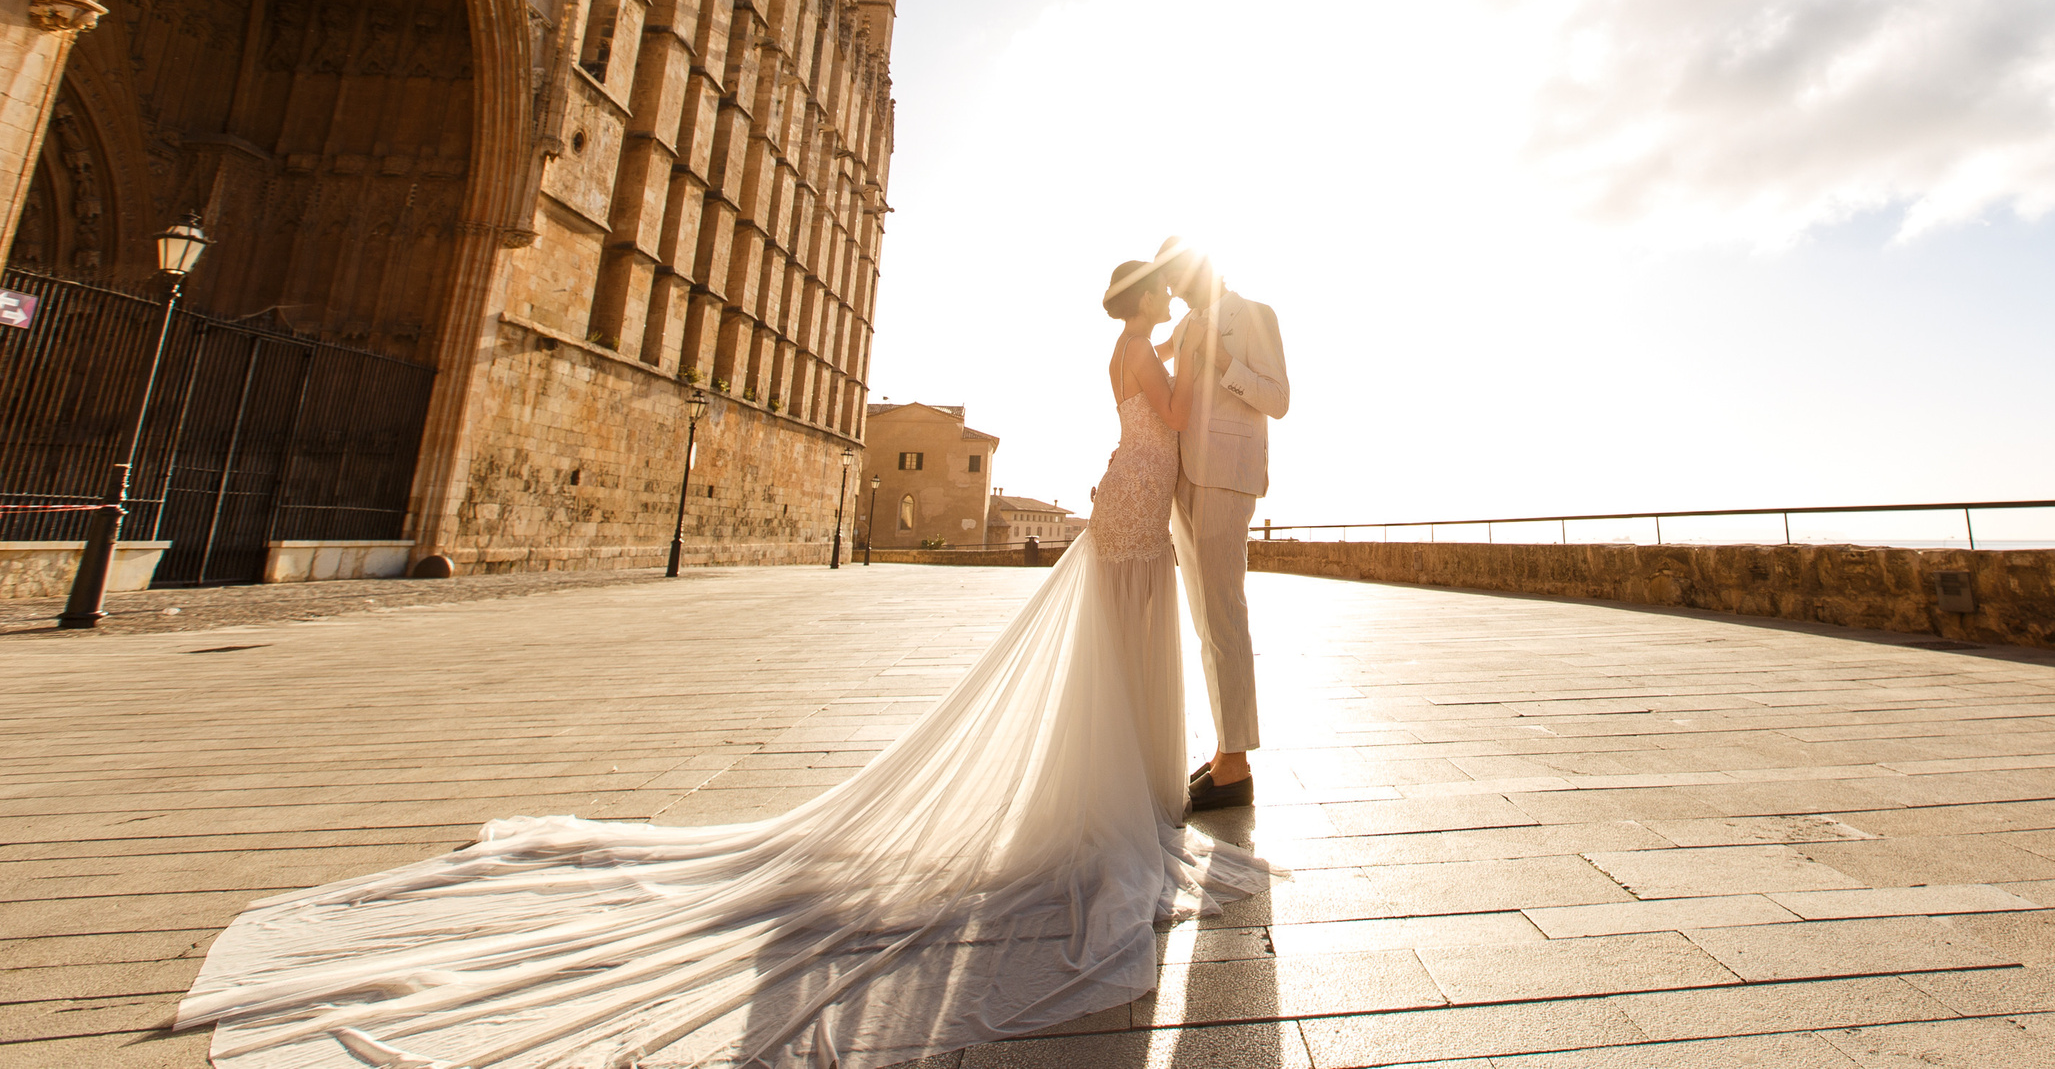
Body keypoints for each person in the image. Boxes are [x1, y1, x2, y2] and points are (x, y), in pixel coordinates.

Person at [173, 254, 1268, 1069]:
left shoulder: (1127, 343)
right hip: (1133, 496)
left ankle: (1122, 783)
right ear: (1142, 308)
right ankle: (1129, 788)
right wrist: (1195, 355)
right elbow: (1174, 413)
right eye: (1162, 299)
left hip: (1126, 490)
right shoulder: (1143, 349)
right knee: (1133, 625)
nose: (1172, 305)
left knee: (1125, 632)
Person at [1151, 238, 1289, 814]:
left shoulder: (1256, 315)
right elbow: (1150, 360)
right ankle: (1225, 754)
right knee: (1207, 621)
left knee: (1226, 614)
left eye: (1176, 278)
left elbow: (1278, 399)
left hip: (1227, 478)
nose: (1173, 291)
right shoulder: (1182, 327)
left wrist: (1223, 362)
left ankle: (1237, 763)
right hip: (1179, 480)